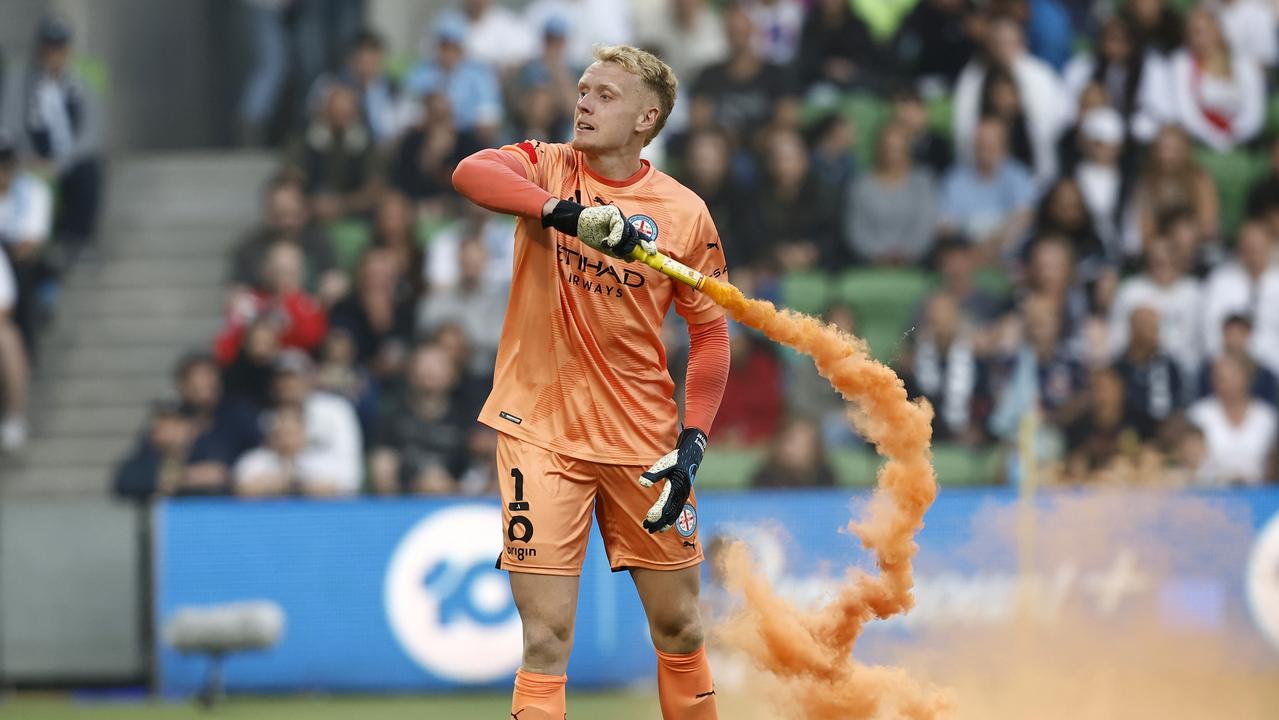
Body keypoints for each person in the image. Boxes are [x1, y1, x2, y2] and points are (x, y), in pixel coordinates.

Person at [450, 44, 730, 719]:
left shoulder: (684, 213)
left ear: (646, 118)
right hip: (538, 435)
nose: (583, 102)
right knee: (544, 638)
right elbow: (468, 172)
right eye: (582, 89)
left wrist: (691, 444)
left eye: (604, 94)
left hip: (643, 444)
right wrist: (563, 214)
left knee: (681, 629)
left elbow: (712, 334)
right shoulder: (545, 166)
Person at [952, 14, 1068, 187]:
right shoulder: (973, 76)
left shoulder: (1041, 75)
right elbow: (963, 126)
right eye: (996, 42)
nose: (1001, 48)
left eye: (1007, 42)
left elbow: (1057, 123)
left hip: (1033, 165)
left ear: (1021, 42)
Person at [24, 16, 102, 250]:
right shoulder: (26, 85)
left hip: (70, 157)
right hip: (36, 158)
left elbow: (91, 127)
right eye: (50, 48)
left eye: (60, 48)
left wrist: (67, 159)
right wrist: (32, 158)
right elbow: (15, 127)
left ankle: (79, 239)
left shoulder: (79, 84)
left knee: (89, 169)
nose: (54, 56)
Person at [369, 342, 474, 495]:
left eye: (437, 365)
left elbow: (475, 469)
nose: (429, 371)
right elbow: (382, 464)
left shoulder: (466, 418)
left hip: (456, 504)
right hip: (405, 502)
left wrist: (452, 487)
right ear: (410, 373)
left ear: (453, 375)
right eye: (423, 365)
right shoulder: (392, 416)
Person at [229, 172, 344, 305]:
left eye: (291, 214)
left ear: (305, 212)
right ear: (267, 213)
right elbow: (238, 290)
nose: (285, 223)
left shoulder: (319, 242)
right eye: (279, 215)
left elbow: (333, 277)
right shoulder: (249, 249)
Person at [1161, 7, 1264, 152]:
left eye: (1202, 31)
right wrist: (1215, 139)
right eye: (1191, 33)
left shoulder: (1243, 64)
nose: (1198, 38)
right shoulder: (1182, 63)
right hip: (1201, 144)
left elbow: (1254, 113)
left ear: (1218, 30)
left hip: (1240, 141)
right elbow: (1187, 113)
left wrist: (1235, 135)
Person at [937, 117, 1036, 263]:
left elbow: (1023, 218)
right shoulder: (954, 179)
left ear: (1004, 147)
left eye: (991, 145)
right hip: (966, 254)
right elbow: (946, 227)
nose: (984, 151)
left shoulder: (1018, 175)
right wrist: (970, 252)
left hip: (1009, 255)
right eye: (980, 144)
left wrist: (992, 249)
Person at [215, 241, 329, 366]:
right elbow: (224, 348)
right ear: (265, 269)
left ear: (300, 273)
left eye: (289, 272)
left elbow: (313, 340)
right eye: (277, 270)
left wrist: (289, 302)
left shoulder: (309, 306)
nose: (282, 278)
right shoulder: (247, 303)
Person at [900, 292, 991, 444]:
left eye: (945, 314)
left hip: (966, 432)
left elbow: (983, 397)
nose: (940, 320)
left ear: (957, 318)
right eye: (934, 316)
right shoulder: (913, 360)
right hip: (925, 432)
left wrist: (976, 426)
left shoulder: (976, 357)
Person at [1108, 237, 1203, 383]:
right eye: (1157, 261)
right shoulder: (1131, 291)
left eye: (1168, 260)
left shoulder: (1194, 292)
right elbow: (1117, 340)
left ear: (1178, 260)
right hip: (1139, 371)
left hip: (1187, 374)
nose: (1163, 266)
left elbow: (1204, 342)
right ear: (1148, 262)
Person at [269, 349, 363, 493]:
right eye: (282, 379)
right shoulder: (268, 418)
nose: (287, 385)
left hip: (334, 504)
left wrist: (303, 479)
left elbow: (351, 476)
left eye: (294, 377)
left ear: (309, 379)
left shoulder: (336, 410)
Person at [846, 123, 937, 266]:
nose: (893, 153)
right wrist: (879, 255)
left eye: (898, 148)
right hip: (869, 263)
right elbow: (857, 231)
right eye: (888, 148)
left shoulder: (923, 182)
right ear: (878, 149)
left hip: (916, 262)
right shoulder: (861, 185)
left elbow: (925, 226)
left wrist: (907, 254)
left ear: (907, 149)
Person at [417, 235, 507, 376]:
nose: (471, 267)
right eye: (467, 261)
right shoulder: (439, 297)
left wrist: (459, 338)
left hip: (482, 374)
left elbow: (500, 341)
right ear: (458, 260)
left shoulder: (498, 302)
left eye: (475, 262)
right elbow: (425, 326)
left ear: (485, 262)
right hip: (441, 372)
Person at [405, 17, 503, 143]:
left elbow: (489, 119)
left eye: (454, 47)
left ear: (463, 49)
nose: (449, 53)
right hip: (426, 136)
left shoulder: (479, 76)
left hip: (467, 138)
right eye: (444, 46)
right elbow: (407, 116)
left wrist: (455, 119)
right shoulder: (419, 73)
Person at [293, 83, 381, 223]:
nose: (340, 118)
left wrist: (341, 205)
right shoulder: (306, 140)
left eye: (345, 113)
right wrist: (313, 203)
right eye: (335, 112)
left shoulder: (367, 144)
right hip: (310, 214)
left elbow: (374, 188)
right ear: (325, 111)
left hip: (355, 217)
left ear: (355, 114)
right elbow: (293, 179)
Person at [1187, 355, 1278, 485]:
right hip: (1211, 493)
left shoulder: (1266, 417)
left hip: (1259, 493)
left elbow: (1273, 466)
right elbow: (1191, 463)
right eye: (1218, 376)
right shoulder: (1199, 415)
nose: (1223, 382)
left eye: (1230, 376)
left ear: (1247, 377)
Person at [1127, 125, 1219, 253]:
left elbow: (1208, 224)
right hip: (1161, 247)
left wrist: (1184, 233)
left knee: (1184, 233)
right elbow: (1146, 229)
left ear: (1184, 150)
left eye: (1173, 150)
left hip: (1197, 246)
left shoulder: (1199, 179)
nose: (1166, 156)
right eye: (1162, 149)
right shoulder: (1147, 182)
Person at [1200, 220, 1279, 362]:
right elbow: (1210, 330)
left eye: (1258, 248)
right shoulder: (1220, 280)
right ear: (1239, 248)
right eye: (1248, 247)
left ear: (1271, 247)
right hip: (1228, 367)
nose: (1253, 254)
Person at [234, 404, 351, 497]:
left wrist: (295, 483)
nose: (286, 440)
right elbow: (243, 489)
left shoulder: (321, 460)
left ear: (304, 434)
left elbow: (337, 487)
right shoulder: (255, 460)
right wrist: (281, 482)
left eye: (292, 433)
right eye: (281, 433)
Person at [1112, 306, 1185, 441]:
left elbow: (1178, 406)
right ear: (1134, 330)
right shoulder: (1118, 369)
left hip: (1164, 440)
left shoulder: (1169, 366)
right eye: (1149, 327)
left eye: (1156, 326)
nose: (1156, 332)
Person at [1198, 313, 1278, 403]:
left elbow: (1268, 409)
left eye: (1239, 333)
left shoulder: (1265, 375)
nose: (1234, 339)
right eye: (1230, 333)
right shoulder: (1207, 370)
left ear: (1248, 335)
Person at [749, 415, 837, 488]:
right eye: (791, 442)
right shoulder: (766, 476)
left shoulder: (824, 476)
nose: (795, 449)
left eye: (804, 443)